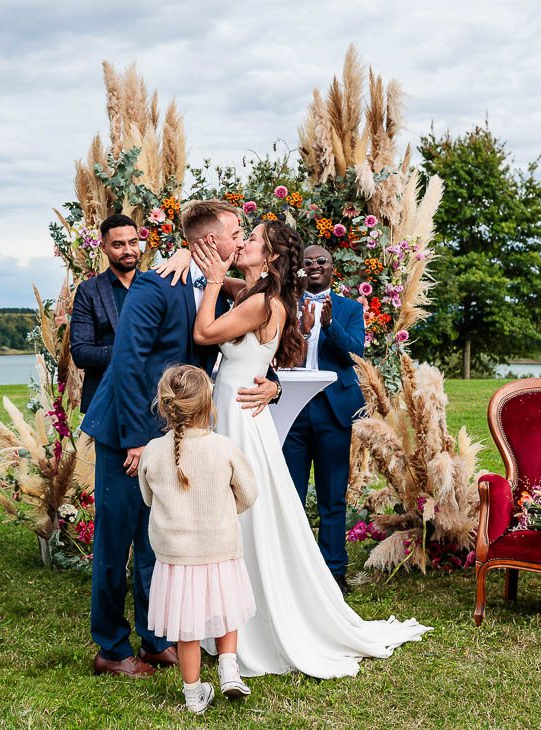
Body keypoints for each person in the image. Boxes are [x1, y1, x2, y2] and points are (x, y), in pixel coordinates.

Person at [189, 220, 431, 679]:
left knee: (247, 512)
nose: (243, 243)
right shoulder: (261, 292)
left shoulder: (264, 301)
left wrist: (215, 280)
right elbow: (235, 283)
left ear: (273, 255)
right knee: (259, 508)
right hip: (242, 407)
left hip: (242, 412)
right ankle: (229, 613)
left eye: (253, 239)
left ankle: (253, 616)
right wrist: (196, 259)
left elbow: (204, 334)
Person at [79, 200, 278, 678]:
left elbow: (250, 345)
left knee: (158, 541)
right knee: (116, 542)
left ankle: (154, 639)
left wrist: (274, 383)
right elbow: (127, 362)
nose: (241, 238)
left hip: (175, 435)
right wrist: (133, 441)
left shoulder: (219, 288)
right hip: (129, 432)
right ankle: (110, 646)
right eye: (236, 231)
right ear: (211, 242)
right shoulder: (154, 285)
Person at [139, 365, 258, 714]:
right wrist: (223, 508)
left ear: (165, 406)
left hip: (176, 556)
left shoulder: (152, 450)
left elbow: (148, 498)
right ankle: (229, 670)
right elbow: (248, 494)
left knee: (186, 628)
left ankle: (193, 697)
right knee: (226, 611)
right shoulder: (222, 447)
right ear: (208, 404)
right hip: (219, 548)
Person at [283, 245, 366, 594]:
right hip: (293, 410)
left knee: (333, 495)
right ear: (300, 270)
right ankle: (293, 568)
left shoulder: (350, 308)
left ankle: (334, 571)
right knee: (290, 494)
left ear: (333, 269)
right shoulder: (286, 305)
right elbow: (279, 353)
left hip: (334, 411)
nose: (314, 266)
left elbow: (354, 355)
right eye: (308, 263)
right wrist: (302, 330)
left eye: (322, 262)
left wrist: (329, 326)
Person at [69, 214, 140, 413]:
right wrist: (129, 351)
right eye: (118, 245)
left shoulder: (155, 285)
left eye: (133, 242)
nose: (128, 251)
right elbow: (81, 353)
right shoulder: (88, 291)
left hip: (151, 398)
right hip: (107, 401)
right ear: (103, 248)